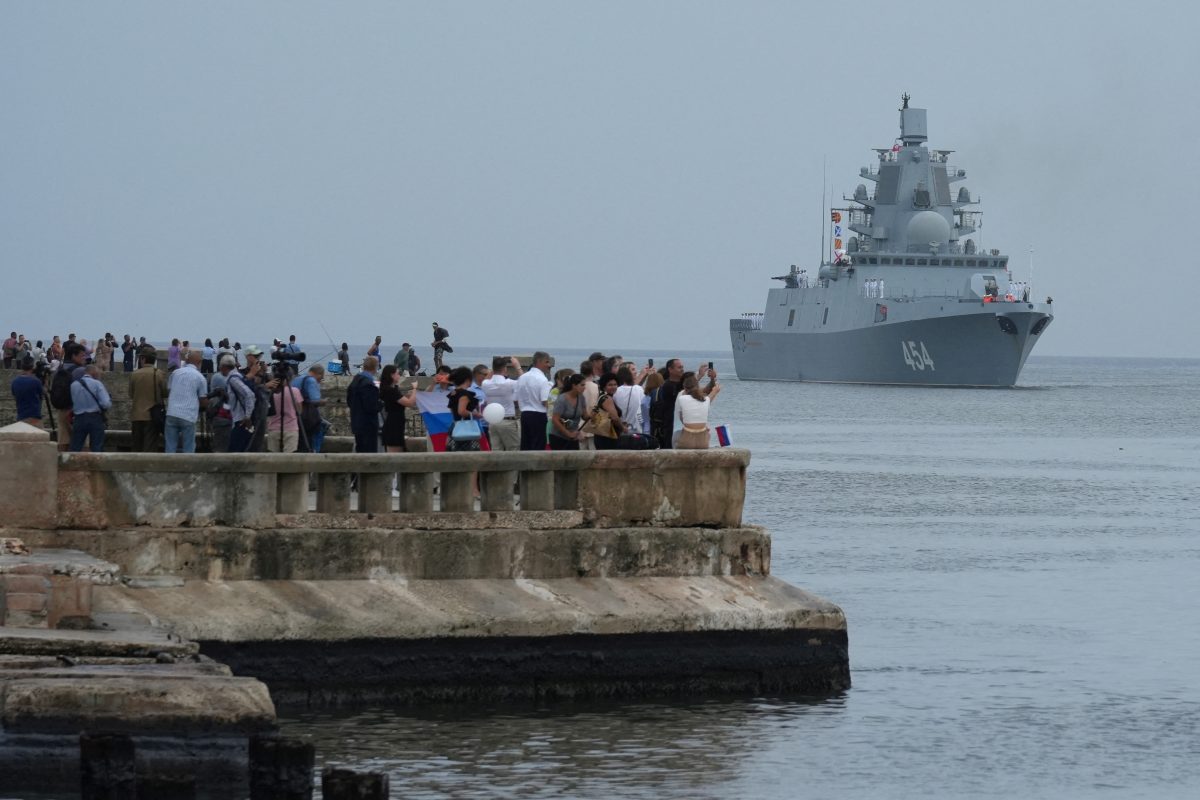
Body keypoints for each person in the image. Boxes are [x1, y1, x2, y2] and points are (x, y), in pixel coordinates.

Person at [164, 351, 208, 453]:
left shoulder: (175, 373)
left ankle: (169, 466)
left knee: (170, 446)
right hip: (188, 415)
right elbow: (203, 399)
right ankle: (187, 468)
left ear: (187, 361)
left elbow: (170, 390)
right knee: (189, 446)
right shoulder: (200, 378)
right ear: (199, 362)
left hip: (172, 412)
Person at [129, 347, 167, 452]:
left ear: (143, 359)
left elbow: (131, 394)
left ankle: (135, 468)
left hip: (136, 415)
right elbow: (165, 393)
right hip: (152, 415)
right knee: (150, 447)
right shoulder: (159, 374)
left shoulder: (134, 374)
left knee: (136, 446)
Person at [481, 356, 523, 451]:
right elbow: (524, 381)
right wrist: (517, 366)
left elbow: (487, 379)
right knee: (513, 449)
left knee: (496, 450)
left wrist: (495, 367)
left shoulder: (486, 384)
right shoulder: (509, 383)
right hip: (507, 420)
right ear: (505, 368)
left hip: (493, 422)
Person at [514, 351, 552, 451]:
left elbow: (515, 399)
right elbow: (545, 401)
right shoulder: (542, 379)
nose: (549, 365)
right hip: (538, 415)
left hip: (525, 415)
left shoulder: (522, 377)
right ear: (539, 362)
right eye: (547, 362)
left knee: (526, 444)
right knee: (538, 445)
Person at [69, 364, 111, 452]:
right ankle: (95, 465)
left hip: (78, 418)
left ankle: (73, 465)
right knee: (97, 447)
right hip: (95, 418)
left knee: (75, 447)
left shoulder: (73, 385)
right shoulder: (97, 384)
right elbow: (106, 403)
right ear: (94, 373)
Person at [674, 372, 721, 449]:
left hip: (686, 441)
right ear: (698, 387)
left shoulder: (681, 398)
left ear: (684, 387)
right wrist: (713, 383)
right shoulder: (706, 400)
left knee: (675, 435)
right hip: (704, 443)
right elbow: (711, 392)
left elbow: (682, 419)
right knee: (708, 432)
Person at [379, 364, 418, 452]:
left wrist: (410, 394)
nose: (399, 375)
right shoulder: (390, 391)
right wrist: (415, 388)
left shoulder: (393, 389)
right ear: (392, 375)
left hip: (397, 425)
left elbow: (401, 399)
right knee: (395, 457)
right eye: (397, 373)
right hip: (393, 426)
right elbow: (410, 403)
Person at [265, 370, 304, 453]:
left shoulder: (271, 391)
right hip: (291, 429)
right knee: (289, 458)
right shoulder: (295, 391)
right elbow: (299, 411)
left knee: (273, 458)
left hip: (273, 428)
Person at [348, 355, 381, 453]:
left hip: (357, 422)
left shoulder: (355, 381)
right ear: (375, 367)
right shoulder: (368, 384)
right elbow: (371, 407)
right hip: (368, 425)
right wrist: (381, 404)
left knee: (360, 451)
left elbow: (349, 401)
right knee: (369, 453)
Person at [650, 358, 685, 448]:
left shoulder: (682, 385)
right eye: (679, 367)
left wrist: (711, 381)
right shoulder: (667, 386)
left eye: (682, 367)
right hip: (669, 426)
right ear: (670, 369)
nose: (682, 369)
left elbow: (698, 393)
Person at [446, 366, 481, 452]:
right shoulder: (464, 394)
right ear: (467, 379)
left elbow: (452, 411)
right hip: (465, 428)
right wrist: (474, 414)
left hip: (455, 425)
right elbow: (461, 411)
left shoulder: (453, 393)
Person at [549, 373, 588, 451]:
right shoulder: (562, 399)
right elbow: (555, 420)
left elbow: (585, 415)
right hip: (559, 437)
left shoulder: (581, 398)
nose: (584, 388)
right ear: (574, 385)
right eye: (582, 385)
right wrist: (569, 434)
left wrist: (592, 416)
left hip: (573, 437)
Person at [293, 363, 327, 453]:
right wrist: (324, 402)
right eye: (321, 377)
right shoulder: (311, 381)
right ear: (318, 374)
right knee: (320, 429)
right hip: (308, 417)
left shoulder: (297, 379)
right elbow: (315, 400)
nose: (320, 380)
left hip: (296, 416)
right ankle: (315, 452)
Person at [588, 372, 627, 450]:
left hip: (602, 435)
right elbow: (614, 417)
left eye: (615, 384)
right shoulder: (607, 398)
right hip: (608, 437)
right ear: (604, 386)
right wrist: (623, 428)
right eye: (610, 385)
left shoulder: (602, 397)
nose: (613, 387)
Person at [207, 355, 236, 454]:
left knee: (219, 441)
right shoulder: (228, 377)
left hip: (218, 412)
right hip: (224, 413)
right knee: (223, 442)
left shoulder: (216, 376)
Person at [612, 365, 646, 437]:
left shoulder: (616, 391)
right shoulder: (639, 389)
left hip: (620, 428)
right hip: (637, 427)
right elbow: (644, 407)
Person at [10, 356, 44, 427]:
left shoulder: (15, 382)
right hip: (35, 417)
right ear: (32, 366)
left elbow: (14, 396)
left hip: (21, 416)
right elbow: (41, 396)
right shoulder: (36, 381)